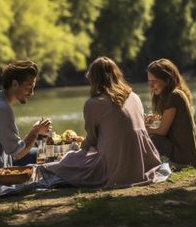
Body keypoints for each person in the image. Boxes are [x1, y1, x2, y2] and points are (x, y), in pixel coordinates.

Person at [44, 56, 162, 189]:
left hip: (116, 167)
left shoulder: (93, 103)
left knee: (69, 160)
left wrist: (77, 148)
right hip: (144, 163)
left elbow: (92, 141)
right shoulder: (134, 97)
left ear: (93, 79)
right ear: (117, 75)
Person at [0, 60, 51, 183]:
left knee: (42, 151)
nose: (32, 93)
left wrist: (36, 134)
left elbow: (12, 148)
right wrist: (35, 132)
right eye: (29, 87)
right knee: (46, 154)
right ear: (15, 84)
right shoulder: (1, 108)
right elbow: (19, 153)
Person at [146, 58, 196, 168]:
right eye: (149, 82)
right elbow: (174, 122)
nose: (151, 86)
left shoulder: (173, 96)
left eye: (154, 82)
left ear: (167, 79)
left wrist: (142, 129)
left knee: (153, 138)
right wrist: (157, 119)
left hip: (186, 160)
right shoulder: (177, 94)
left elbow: (161, 131)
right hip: (191, 158)